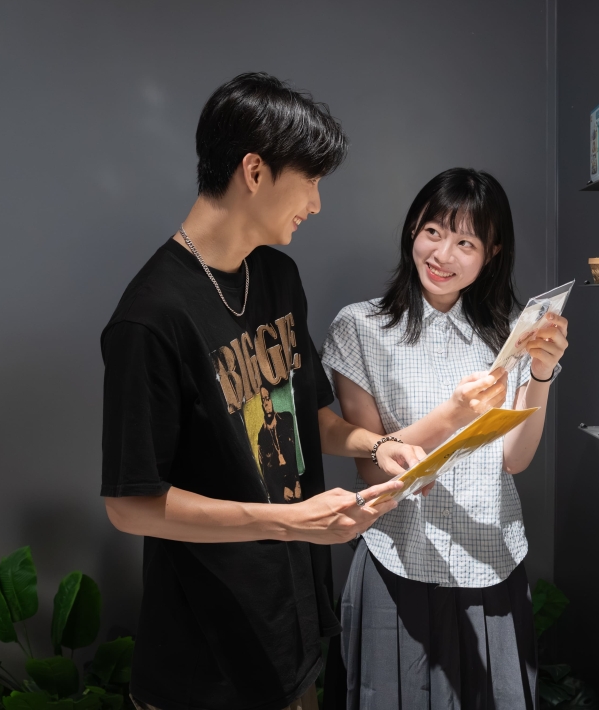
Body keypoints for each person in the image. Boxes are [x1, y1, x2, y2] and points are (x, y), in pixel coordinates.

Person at [100, 73, 425, 710]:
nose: (317, 204)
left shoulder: (277, 275)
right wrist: (289, 522)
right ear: (255, 171)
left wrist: (375, 444)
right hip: (206, 659)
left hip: (291, 627)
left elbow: (305, 415)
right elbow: (130, 505)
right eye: (311, 180)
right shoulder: (151, 317)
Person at [322, 168, 570, 709]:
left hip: (493, 561)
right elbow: (371, 465)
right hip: (398, 560)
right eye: (433, 232)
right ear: (414, 228)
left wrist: (541, 374)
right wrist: (454, 414)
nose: (442, 255)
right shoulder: (359, 327)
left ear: (492, 252)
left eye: (466, 243)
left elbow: (514, 459)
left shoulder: (510, 331)